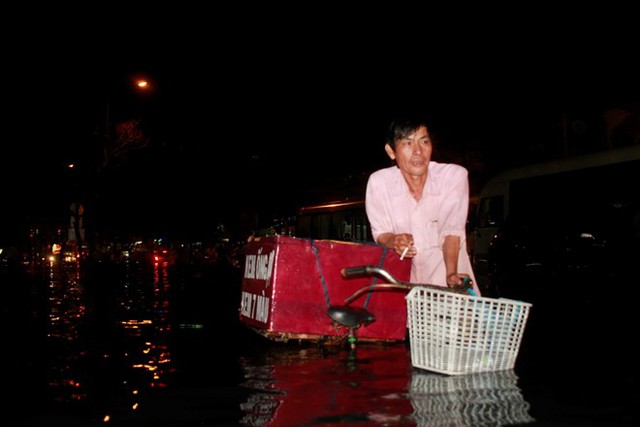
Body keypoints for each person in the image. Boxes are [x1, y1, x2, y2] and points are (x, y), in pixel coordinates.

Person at [365, 114, 480, 295]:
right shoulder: (379, 184)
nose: (418, 151)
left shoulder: (453, 177)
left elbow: (451, 230)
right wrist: (394, 240)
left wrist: (451, 274)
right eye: (408, 143)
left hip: (453, 293)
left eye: (424, 142)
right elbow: (380, 233)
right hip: (409, 295)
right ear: (391, 151)